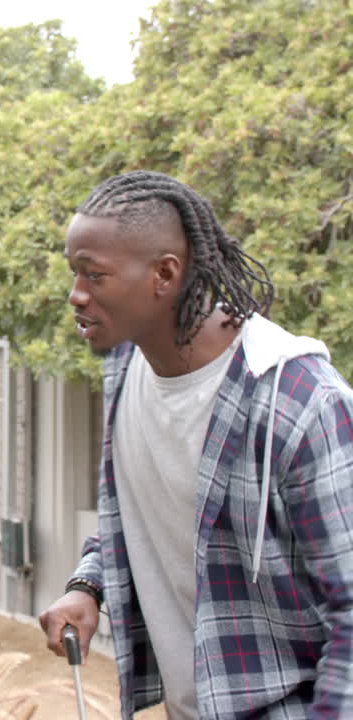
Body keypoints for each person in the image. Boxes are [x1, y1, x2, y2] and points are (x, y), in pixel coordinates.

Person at [38, 170, 353, 718]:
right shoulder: (126, 365)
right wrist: (88, 585)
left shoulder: (300, 404)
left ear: (164, 274)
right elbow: (152, 509)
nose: (76, 295)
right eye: (74, 273)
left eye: (95, 275)